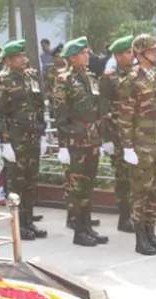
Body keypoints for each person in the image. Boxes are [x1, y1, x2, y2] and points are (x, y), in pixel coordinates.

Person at [117, 34, 156, 256]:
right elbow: (124, 116)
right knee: (140, 191)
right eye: (151, 51)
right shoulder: (129, 80)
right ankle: (140, 237)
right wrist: (127, 147)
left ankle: (151, 232)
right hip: (141, 143)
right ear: (140, 54)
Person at [53, 37, 108, 247]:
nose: (88, 55)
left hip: (91, 139)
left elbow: (97, 111)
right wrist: (62, 145)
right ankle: (78, 231)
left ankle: (87, 227)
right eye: (84, 53)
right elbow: (60, 113)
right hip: (75, 141)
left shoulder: (90, 77)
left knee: (88, 186)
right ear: (73, 57)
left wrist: (100, 139)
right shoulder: (63, 79)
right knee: (75, 188)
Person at [0, 39, 48, 240]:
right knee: (17, 183)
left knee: (31, 182)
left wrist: (43, 134)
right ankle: (18, 225)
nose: (23, 59)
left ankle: (29, 222)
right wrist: (5, 142)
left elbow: (39, 106)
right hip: (15, 140)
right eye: (18, 56)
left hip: (32, 138)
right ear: (7, 60)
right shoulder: (2, 80)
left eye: (24, 55)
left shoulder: (31, 76)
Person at [99, 35, 135, 234]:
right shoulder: (109, 77)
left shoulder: (137, 74)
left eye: (131, 52)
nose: (131, 56)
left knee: (135, 177)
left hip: (135, 133)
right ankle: (124, 217)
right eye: (128, 53)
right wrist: (106, 139)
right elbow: (103, 109)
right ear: (118, 56)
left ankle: (135, 214)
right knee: (122, 178)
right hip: (117, 133)